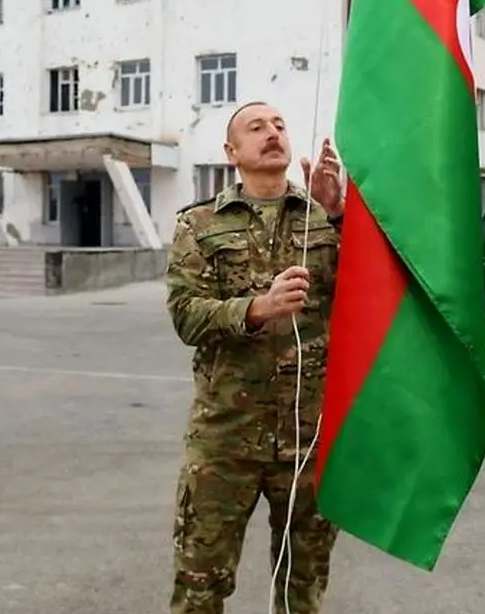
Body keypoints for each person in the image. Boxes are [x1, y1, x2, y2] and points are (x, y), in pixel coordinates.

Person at [165, 100, 346, 614]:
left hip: (308, 442)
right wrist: (257, 309)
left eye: (280, 125)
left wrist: (338, 213)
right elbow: (186, 315)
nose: (273, 132)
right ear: (231, 151)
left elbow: (371, 296)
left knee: (302, 593)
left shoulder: (323, 218)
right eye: (256, 126)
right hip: (225, 441)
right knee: (200, 589)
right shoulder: (200, 224)